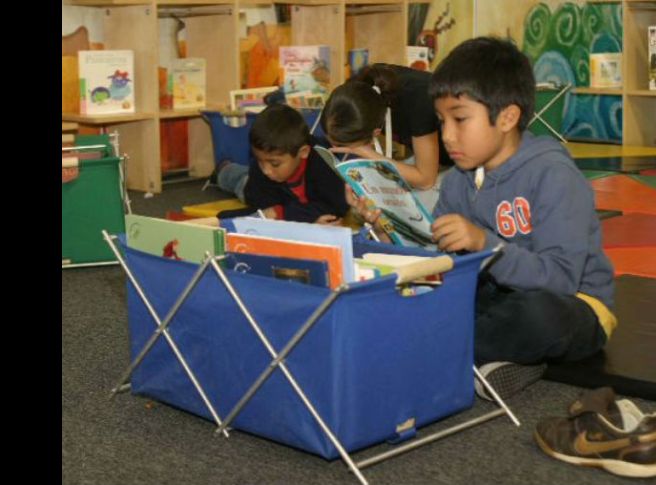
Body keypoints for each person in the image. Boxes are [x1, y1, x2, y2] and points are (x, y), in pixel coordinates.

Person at [351, 37, 617, 400]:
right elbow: (438, 261)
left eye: (460, 120)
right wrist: (386, 229)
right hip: (495, 296)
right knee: (426, 295)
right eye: (442, 120)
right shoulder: (460, 179)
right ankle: (490, 360)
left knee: (536, 315)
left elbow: (561, 279)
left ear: (507, 116)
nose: (446, 135)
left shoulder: (553, 174)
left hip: (573, 305)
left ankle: (432, 350)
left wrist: (482, 243)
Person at [320, 63, 453, 211]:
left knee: (417, 210)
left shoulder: (417, 102)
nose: (338, 149)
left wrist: (369, 154)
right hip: (427, 152)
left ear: (375, 134)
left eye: (345, 147)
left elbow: (426, 179)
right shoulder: (356, 93)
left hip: (462, 157)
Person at [214, 103, 348, 224]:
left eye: (275, 164)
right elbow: (263, 211)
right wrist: (303, 217)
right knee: (242, 183)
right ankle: (224, 168)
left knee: (244, 178)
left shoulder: (324, 160)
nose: (266, 170)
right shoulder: (262, 169)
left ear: (303, 152)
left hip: (284, 195)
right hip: (254, 187)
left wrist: (282, 213)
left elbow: (337, 207)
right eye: (260, 160)